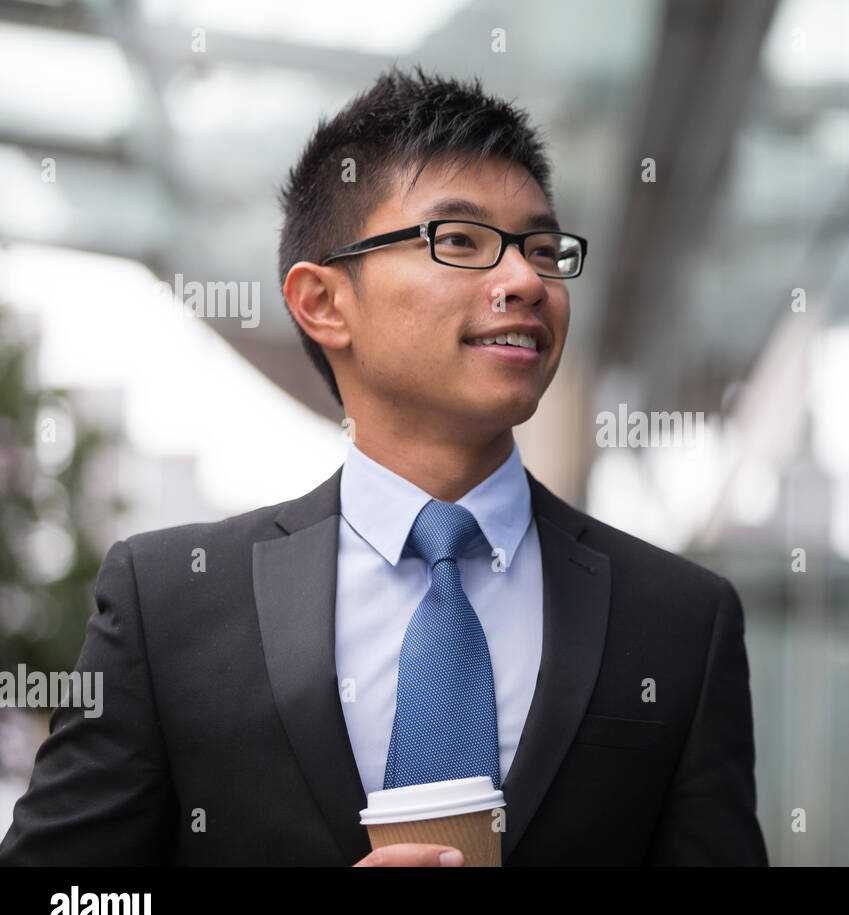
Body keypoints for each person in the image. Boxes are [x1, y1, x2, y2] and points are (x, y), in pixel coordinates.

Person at [0, 68, 766, 866]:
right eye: (460, 241)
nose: (526, 282)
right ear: (323, 303)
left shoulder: (682, 621)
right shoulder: (169, 605)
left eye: (542, 249)